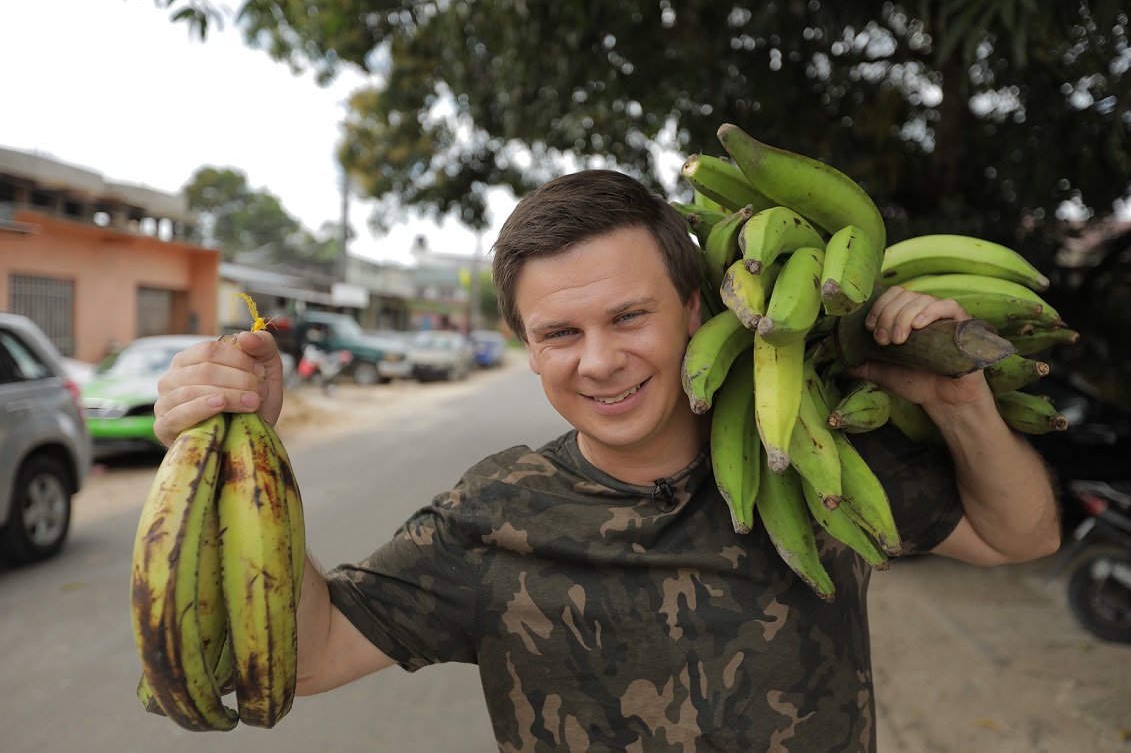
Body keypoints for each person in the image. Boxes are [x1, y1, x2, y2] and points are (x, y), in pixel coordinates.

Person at [154, 170, 1060, 751]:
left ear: (696, 309)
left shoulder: (809, 461)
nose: (598, 360)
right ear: (525, 344)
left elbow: (1019, 536)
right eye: (560, 332)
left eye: (629, 316)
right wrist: (244, 457)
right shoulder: (491, 514)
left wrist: (959, 403)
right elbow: (304, 658)